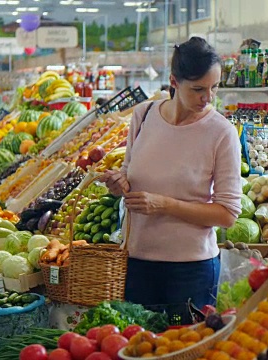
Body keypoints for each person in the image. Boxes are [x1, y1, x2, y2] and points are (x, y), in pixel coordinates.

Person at [100, 37, 242, 309]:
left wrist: (164, 204)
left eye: (214, 88)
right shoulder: (143, 116)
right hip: (137, 264)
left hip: (191, 271)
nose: (208, 98)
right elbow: (129, 175)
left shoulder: (222, 133)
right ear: (174, 82)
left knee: (184, 349)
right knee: (139, 348)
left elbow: (227, 214)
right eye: (198, 89)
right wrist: (118, 184)